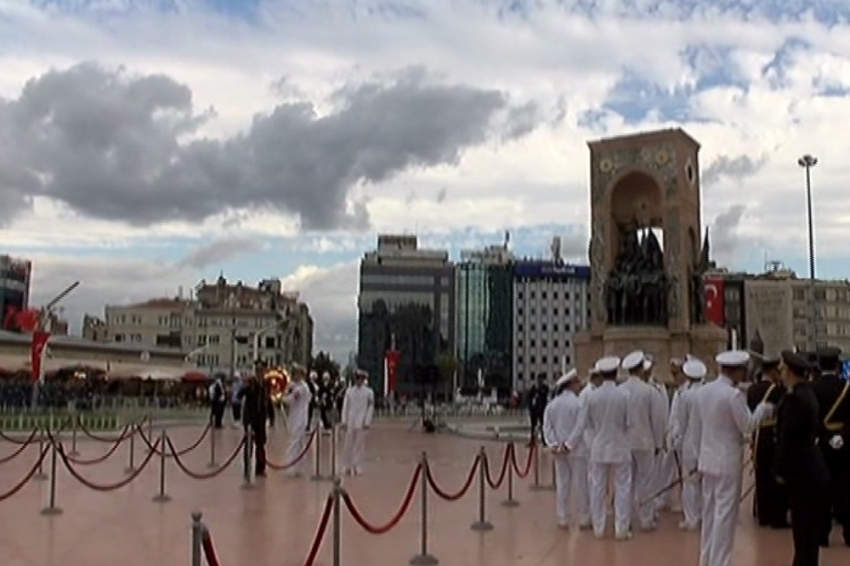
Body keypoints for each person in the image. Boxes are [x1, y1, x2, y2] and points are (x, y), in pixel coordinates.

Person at [694, 350, 774, 566]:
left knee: (709, 514)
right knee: (724, 516)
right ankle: (720, 562)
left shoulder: (703, 392)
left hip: (707, 459)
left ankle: (706, 559)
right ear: (736, 371)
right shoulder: (733, 395)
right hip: (727, 461)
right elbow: (747, 425)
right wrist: (762, 410)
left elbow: (699, 427)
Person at [565, 356, 633, 540]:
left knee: (596, 487)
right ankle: (621, 528)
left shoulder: (591, 396)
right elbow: (629, 423)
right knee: (623, 488)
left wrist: (568, 444)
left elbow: (581, 425)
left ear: (601, 374)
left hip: (598, 447)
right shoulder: (625, 395)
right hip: (620, 446)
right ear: (616, 372)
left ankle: (599, 527)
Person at [774, 350, 830, 566]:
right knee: (807, 531)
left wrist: (779, 470)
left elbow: (787, 440)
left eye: (782, 367)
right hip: (809, 471)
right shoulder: (804, 393)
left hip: (803, 473)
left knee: (804, 531)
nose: (779, 370)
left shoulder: (796, 399)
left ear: (789, 371)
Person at [619, 350, 666, 532]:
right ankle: (646, 519)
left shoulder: (620, 391)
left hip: (625, 443)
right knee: (646, 482)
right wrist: (658, 443)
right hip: (645, 442)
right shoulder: (649, 392)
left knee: (625, 483)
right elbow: (657, 420)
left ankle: (626, 519)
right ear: (640, 369)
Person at [810, 346, 849, 546]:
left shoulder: (812, 388)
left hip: (819, 445)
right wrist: (842, 435)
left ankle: (822, 534)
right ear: (836, 365)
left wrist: (822, 436)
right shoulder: (846, 387)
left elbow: (810, 419)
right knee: (845, 488)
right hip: (844, 445)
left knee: (821, 490)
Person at [746, 356, 789, 528]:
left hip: (758, 434)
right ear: (772, 372)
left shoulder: (753, 389)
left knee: (761, 475)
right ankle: (775, 515)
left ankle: (762, 513)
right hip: (772, 434)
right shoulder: (776, 390)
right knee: (774, 476)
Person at [542, 369, 584, 529]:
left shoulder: (552, 405)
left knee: (563, 483)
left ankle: (563, 517)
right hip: (576, 449)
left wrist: (554, 444)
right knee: (580, 483)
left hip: (558, 450)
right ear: (572, 384)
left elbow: (547, 427)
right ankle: (583, 516)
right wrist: (569, 444)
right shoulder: (579, 404)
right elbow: (580, 427)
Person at [671, 356, 706, 530]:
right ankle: (704, 515)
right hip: (707, 442)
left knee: (690, 482)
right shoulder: (708, 392)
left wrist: (677, 440)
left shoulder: (685, 395)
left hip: (690, 442)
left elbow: (681, 422)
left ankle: (692, 517)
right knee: (705, 482)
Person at [573, 369, 603, 529]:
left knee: (594, 481)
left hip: (594, 442)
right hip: (588, 442)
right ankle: (586, 515)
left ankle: (594, 512)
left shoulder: (594, 392)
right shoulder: (587, 394)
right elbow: (582, 422)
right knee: (587, 481)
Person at [341, 370, 374, 475]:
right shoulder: (349, 391)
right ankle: (347, 465)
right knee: (348, 444)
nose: (359, 380)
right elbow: (345, 406)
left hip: (362, 420)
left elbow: (370, 407)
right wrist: (344, 420)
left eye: (361, 378)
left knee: (359, 445)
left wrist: (367, 421)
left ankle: (357, 465)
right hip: (351, 419)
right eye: (357, 378)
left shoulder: (369, 392)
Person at [282, 365, 312, 477]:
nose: (294, 375)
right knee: (299, 443)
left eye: (296, 373)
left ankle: (291, 466)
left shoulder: (302, 388)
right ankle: (299, 467)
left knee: (294, 442)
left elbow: (291, 400)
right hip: (295, 416)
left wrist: (281, 398)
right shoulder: (295, 386)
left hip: (299, 418)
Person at [240, 374, 269, 477]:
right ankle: (247, 468)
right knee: (248, 444)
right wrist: (247, 386)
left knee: (261, 444)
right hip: (250, 419)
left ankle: (260, 468)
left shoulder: (266, 384)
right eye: (258, 371)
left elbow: (267, 400)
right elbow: (240, 394)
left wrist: (271, 417)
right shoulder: (250, 384)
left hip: (261, 419)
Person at [528, 375, 550, 445]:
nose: (539, 381)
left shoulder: (545, 387)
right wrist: (530, 406)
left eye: (541, 379)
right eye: (539, 379)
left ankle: (544, 440)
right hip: (534, 409)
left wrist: (538, 391)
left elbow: (544, 394)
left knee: (542, 425)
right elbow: (529, 396)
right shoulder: (534, 387)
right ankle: (532, 440)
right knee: (533, 426)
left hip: (542, 409)